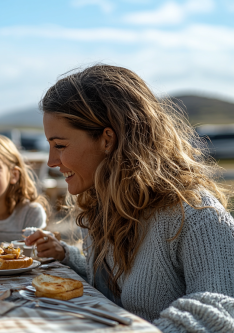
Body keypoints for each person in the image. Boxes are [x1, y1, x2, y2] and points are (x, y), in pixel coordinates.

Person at [25, 64, 234, 332]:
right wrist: (67, 256)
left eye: (60, 146)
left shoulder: (196, 214)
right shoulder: (104, 205)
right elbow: (114, 292)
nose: (52, 161)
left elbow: (222, 309)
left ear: (107, 140)